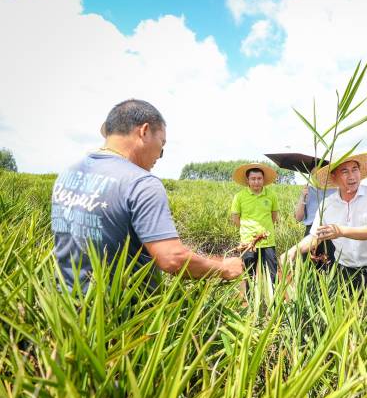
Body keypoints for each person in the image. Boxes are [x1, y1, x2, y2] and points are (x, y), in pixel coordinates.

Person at [51, 99, 243, 293]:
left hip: (65, 310)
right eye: (162, 143)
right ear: (144, 131)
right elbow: (172, 258)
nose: (160, 155)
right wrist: (224, 268)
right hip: (122, 316)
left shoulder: (67, 174)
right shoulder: (141, 182)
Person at [281, 152, 367, 292]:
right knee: (347, 312)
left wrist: (340, 231)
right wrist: (293, 250)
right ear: (334, 177)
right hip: (345, 272)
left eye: (355, 169)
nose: (352, 176)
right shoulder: (327, 204)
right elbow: (315, 237)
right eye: (344, 171)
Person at [230, 163, 279, 282]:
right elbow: (236, 218)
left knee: (272, 276)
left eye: (259, 178)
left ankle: (273, 300)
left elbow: (273, 216)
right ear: (248, 180)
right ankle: (251, 300)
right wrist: (247, 230)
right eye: (253, 179)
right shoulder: (239, 196)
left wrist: (265, 229)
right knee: (249, 276)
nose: (256, 182)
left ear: (263, 179)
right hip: (248, 242)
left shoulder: (271, 195)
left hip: (268, 241)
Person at [294, 178, 337, 268]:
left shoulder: (335, 190)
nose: (317, 177)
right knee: (308, 266)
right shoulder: (307, 191)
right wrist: (303, 197)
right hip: (311, 232)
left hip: (329, 231)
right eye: (314, 175)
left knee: (329, 266)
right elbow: (298, 217)